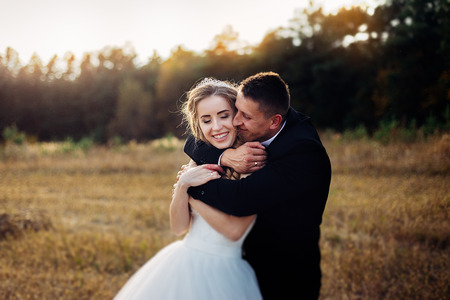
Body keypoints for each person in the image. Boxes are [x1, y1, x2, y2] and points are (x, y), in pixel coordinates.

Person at [184, 71, 332, 299]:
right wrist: (225, 157)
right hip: (244, 262)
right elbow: (194, 139)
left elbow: (241, 199)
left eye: (244, 116)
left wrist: (191, 184)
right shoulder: (257, 120)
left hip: (286, 272)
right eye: (236, 110)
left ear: (274, 121)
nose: (235, 121)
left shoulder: (303, 152)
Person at [114, 78, 262, 300]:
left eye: (224, 115)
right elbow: (179, 228)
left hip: (225, 271)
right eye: (206, 120)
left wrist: (192, 195)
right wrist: (182, 186)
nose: (217, 127)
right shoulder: (196, 164)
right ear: (198, 125)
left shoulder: (252, 164)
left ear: (238, 115)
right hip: (183, 261)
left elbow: (234, 232)